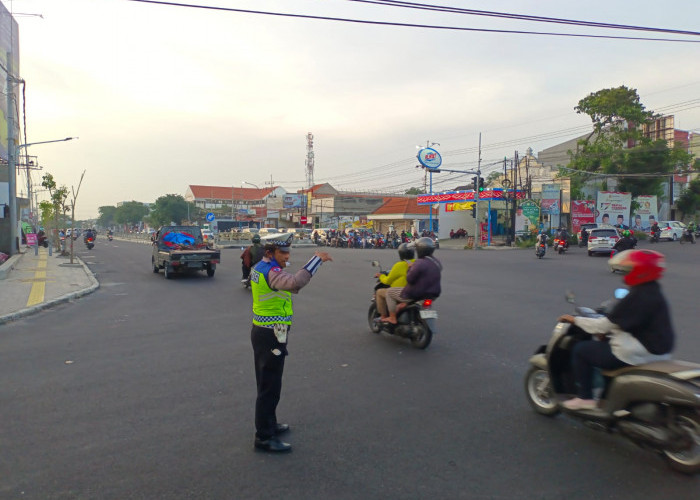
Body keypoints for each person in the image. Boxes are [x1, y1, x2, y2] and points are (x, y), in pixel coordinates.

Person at [558, 249, 674, 410]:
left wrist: (574, 319)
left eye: (630, 269)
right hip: (659, 351)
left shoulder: (638, 295)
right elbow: (632, 323)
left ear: (641, 271)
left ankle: (585, 398)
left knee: (581, 350)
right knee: (604, 347)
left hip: (638, 352)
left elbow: (604, 325)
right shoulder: (653, 291)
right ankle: (608, 396)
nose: (626, 273)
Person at [249, 233, 332, 452]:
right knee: (270, 386)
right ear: (270, 253)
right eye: (283, 252)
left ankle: (270, 423)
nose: (287, 256)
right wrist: (316, 260)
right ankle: (264, 437)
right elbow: (295, 283)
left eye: (288, 252)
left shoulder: (260, 266)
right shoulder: (271, 272)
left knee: (268, 382)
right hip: (271, 334)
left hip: (264, 331)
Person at [384, 237, 442, 324]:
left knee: (389, 292)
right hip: (434, 293)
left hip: (417, 293)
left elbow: (410, 279)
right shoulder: (436, 262)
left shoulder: (419, 263)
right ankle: (405, 305)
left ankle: (392, 318)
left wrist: (410, 268)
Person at [375, 243, 415, 321]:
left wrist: (381, 276)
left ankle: (384, 317)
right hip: (416, 292)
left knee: (379, 292)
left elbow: (388, 281)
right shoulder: (417, 263)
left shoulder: (399, 265)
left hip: (402, 292)